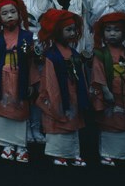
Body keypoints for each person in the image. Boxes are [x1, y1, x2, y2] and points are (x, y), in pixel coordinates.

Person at [8, 0, 62, 144]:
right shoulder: (9, 2)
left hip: (43, 47)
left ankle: (40, 126)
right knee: (22, 88)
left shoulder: (48, 0)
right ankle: (24, 129)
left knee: (43, 88)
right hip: (19, 47)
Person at [0, 0, 39, 163]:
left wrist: (31, 82)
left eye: (13, 12)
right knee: (3, 111)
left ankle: (21, 146)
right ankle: (6, 144)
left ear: (20, 14)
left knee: (21, 109)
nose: (9, 16)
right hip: (3, 78)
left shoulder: (28, 37)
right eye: (5, 13)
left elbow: (31, 63)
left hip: (21, 76)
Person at [89, 12, 125, 167]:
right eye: (108, 30)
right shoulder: (100, 53)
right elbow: (97, 73)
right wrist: (105, 90)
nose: (112, 33)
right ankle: (108, 154)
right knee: (110, 122)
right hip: (110, 93)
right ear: (103, 33)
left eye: (117, 30)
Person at [36, 9, 90, 166]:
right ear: (57, 31)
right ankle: (58, 153)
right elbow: (49, 81)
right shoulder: (51, 55)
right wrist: (54, 99)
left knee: (72, 122)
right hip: (57, 93)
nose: (73, 33)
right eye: (68, 29)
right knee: (59, 121)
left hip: (72, 92)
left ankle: (74, 153)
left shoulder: (73, 53)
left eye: (74, 29)